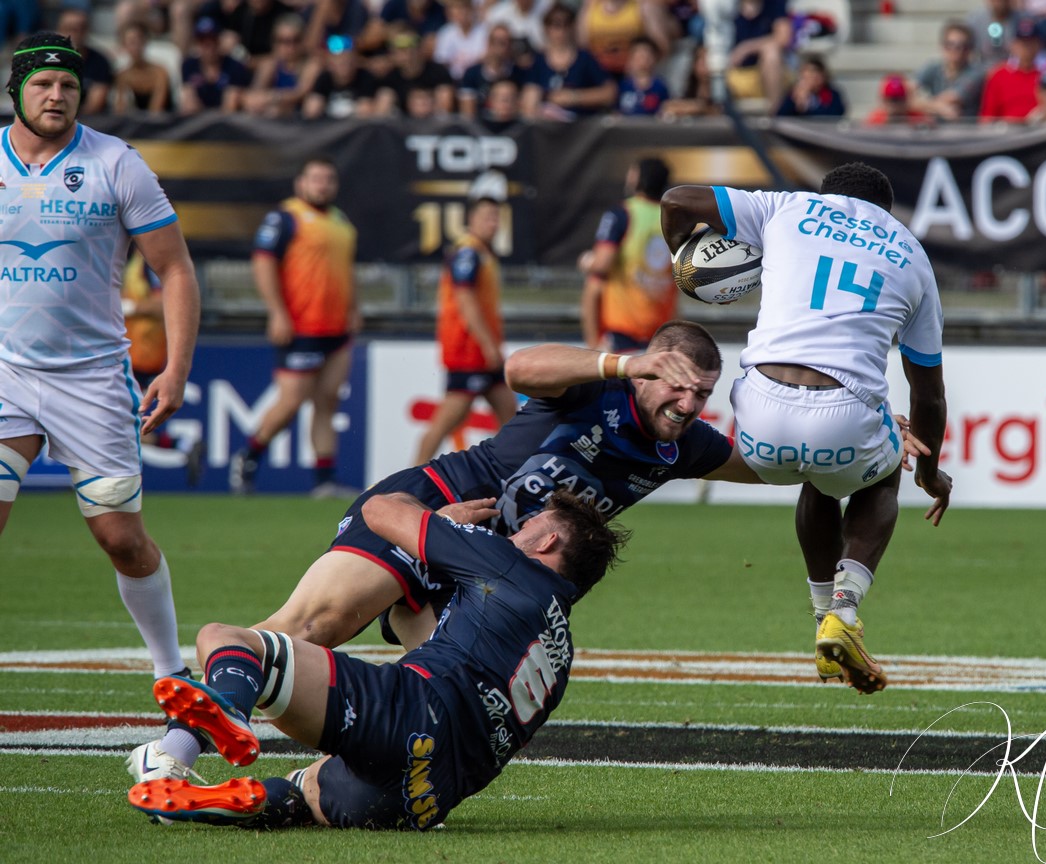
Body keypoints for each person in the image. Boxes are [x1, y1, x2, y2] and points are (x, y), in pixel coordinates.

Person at [127, 321, 767, 786]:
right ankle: (174, 751)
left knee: (447, 705)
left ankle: (316, 791)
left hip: (481, 573)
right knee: (312, 627)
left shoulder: (684, 446)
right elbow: (521, 369)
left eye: (701, 393)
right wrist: (623, 365)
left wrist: (849, 447)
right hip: (430, 510)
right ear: (649, 368)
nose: (686, 404)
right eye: (674, 386)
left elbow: (778, 466)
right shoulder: (597, 391)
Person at [127, 491, 629, 830]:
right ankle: (223, 803)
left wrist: (440, 522)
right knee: (306, 793)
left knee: (227, 638)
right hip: (426, 795)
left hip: (408, 712)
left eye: (530, 527)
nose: (515, 533)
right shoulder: (559, 654)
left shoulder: (507, 563)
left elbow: (380, 511)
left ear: (548, 542)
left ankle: (231, 714)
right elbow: (446, 646)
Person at [660, 163, 953, 694]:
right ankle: (844, 611)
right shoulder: (912, 254)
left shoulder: (787, 208)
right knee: (879, 474)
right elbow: (928, 394)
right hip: (845, 413)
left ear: (826, 196)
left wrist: (683, 262)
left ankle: (822, 620)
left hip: (759, 407)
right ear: (884, 212)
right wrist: (931, 474)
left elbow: (676, 200)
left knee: (816, 476)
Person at [0, 33, 201, 681]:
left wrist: (175, 368)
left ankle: (171, 674)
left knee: (122, 540)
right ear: (17, 91)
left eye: (68, 86)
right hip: (5, 371)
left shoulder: (118, 164)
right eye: (42, 84)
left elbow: (175, 270)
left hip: (92, 378)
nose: (56, 95)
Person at [229, 157, 360, 497]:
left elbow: (345, 270)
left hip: (336, 329)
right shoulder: (285, 217)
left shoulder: (340, 221)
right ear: (301, 183)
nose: (322, 184)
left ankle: (324, 481)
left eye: (328, 178)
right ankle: (249, 456)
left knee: (327, 402)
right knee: (291, 402)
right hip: (301, 326)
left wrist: (354, 308)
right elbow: (263, 263)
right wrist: (277, 311)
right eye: (315, 178)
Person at [413, 197, 517, 465]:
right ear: (471, 220)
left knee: (510, 417)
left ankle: (515, 477)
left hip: (481, 350)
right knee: (449, 417)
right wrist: (487, 344)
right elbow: (465, 301)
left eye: (496, 217)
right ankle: (407, 481)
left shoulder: (483, 252)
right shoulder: (467, 252)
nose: (492, 223)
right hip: (467, 350)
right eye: (486, 217)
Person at [122, 250, 206, 487]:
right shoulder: (130, 261)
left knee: (116, 425)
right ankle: (183, 445)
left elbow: (161, 306)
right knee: (119, 425)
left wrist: (124, 307)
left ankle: (100, 478)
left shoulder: (150, 262)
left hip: (139, 355)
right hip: (131, 354)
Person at [580, 158, 677, 353]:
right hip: (661, 331)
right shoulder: (673, 218)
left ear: (637, 178)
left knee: (595, 281)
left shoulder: (623, 213)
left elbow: (602, 264)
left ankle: (592, 348)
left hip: (622, 331)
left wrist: (586, 262)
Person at [912, 21, 986, 122]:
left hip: (966, 133)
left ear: (969, 49)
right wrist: (938, 107)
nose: (955, 49)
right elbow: (906, 92)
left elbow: (951, 99)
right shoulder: (932, 68)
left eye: (961, 45)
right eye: (950, 44)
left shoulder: (976, 74)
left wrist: (919, 104)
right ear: (942, 46)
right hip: (937, 132)